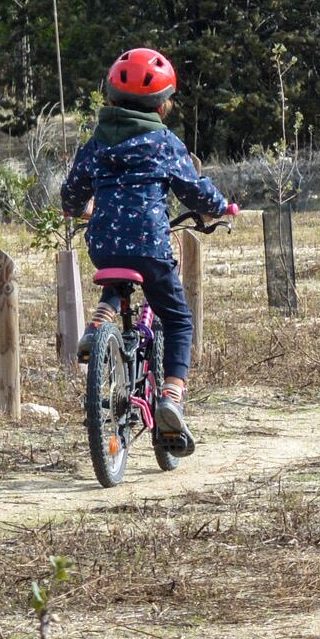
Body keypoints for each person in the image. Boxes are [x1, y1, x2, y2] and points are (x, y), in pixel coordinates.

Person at [58, 47, 235, 454]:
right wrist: (220, 208)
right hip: (150, 246)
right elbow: (196, 191)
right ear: (162, 102)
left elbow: (71, 194)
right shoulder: (163, 142)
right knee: (177, 319)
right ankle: (171, 396)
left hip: (103, 246)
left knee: (117, 271)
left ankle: (100, 321)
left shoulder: (96, 143)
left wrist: (79, 207)